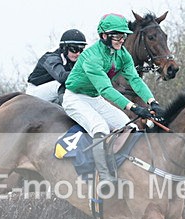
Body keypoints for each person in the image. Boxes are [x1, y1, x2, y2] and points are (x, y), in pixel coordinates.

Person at [62, 13, 165, 184]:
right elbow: (105, 89)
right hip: (75, 98)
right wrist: (133, 107)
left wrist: (152, 101)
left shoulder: (122, 54)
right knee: (100, 127)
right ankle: (103, 177)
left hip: (94, 98)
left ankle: (123, 168)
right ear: (104, 36)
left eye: (123, 35)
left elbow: (135, 79)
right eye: (117, 36)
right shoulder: (91, 57)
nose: (121, 40)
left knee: (128, 126)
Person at [25, 29, 88, 103]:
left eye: (81, 49)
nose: (78, 53)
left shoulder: (73, 58)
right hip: (34, 93)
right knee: (62, 84)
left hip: (53, 93)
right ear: (64, 47)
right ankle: (69, 110)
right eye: (74, 49)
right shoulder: (51, 57)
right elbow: (61, 77)